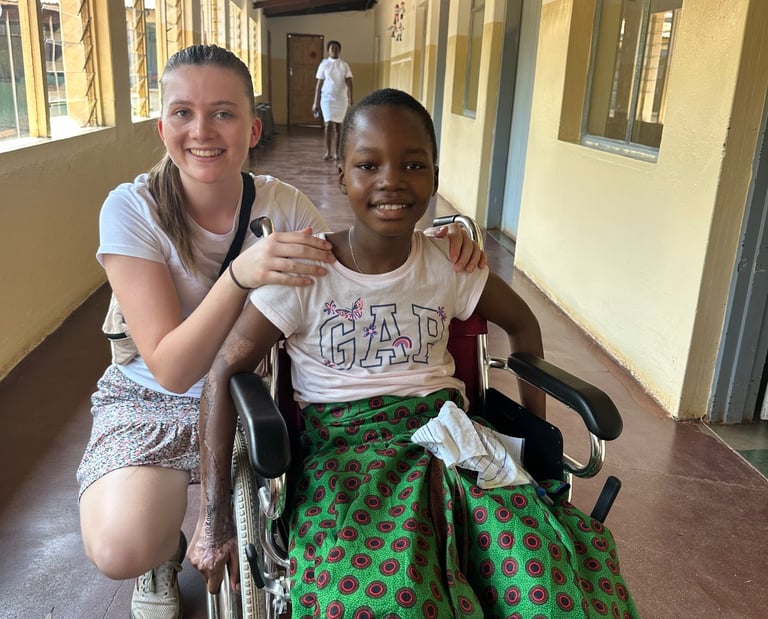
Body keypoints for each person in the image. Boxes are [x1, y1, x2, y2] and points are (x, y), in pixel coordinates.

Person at [190, 88, 639, 618]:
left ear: (435, 178)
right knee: (384, 597)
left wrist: (532, 440)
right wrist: (214, 518)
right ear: (342, 176)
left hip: (452, 441)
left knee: (545, 577)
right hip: (345, 455)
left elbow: (523, 323)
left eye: (413, 165)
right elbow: (224, 370)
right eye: (368, 165)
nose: (392, 180)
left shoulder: (449, 264)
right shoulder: (305, 271)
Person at [76, 47, 483, 619]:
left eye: (223, 113)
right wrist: (240, 275)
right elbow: (173, 369)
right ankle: (159, 552)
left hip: (250, 393)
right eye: (183, 112)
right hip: (153, 397)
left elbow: (351, 265)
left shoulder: (282, 205)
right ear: (162, 127)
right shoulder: (131, 209)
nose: (202, 130)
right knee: (122, 548)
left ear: (253, 129)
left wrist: (431, 240)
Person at [312, 40, 353, 160]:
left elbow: (350, 83)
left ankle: (337, 153)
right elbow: (319, 85)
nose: (334, 50)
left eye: (336, 48)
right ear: (328, 51)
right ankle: (328, 152)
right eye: (332, 48)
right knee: (328, 124)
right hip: (327, 99)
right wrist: (315, 102)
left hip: (341, 99)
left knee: (339, 126)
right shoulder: (324, 64)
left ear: (340, 50)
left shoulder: (344, 65)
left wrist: (350, 98)